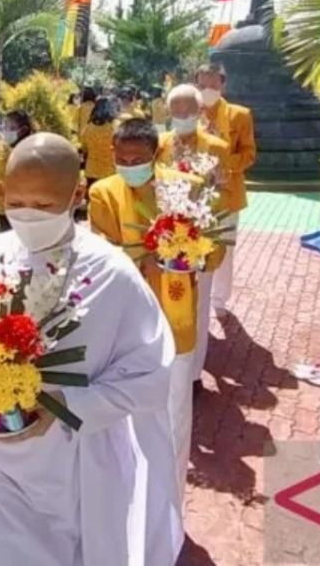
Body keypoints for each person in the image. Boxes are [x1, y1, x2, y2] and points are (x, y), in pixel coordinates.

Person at [0, 133, 182, 566]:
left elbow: (151, 378)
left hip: (79, 465)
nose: (26, 215)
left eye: (42, 206)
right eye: (16, 202)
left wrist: (67, 406)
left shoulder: (111, 273)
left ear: (76, 196)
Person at [88, 118, 221, 505]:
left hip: (175, 317)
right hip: (125, 324)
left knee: (174, 413)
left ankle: (171, 503)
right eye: (122, 156)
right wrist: (151, 253)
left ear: (155, 156)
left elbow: (213, 250)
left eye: (139, 158)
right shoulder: (103, 193)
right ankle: (131, 502)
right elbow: (104, 252)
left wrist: (190, 253)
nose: (130, 163)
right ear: (111, 154)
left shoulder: (186, 187)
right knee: (127, 418)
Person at [156, 83, 232, 389]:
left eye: (188, 111)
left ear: (200, 111)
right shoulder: (159, 144)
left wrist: (214, 242)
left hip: (200, 239)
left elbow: (223, 197)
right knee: (167, 302)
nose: (182, 116)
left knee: (197, 308)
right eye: (176, 111)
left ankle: (193, 374)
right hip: (163, 240)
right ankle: (166, 363)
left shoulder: (217, 147)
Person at [195, 62, 256, 315]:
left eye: (212, 84)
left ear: (223, 84)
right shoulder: (188, 112)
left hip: (227, 192)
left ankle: (219, 300)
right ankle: (195, 294)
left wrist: (223, 164)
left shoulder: (239, 115)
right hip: (193, 194)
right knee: (192, 244)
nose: (207, 89)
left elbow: (249, 154)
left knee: (225, 248)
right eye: (202, 85)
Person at [0, 110, 35, 231]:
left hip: (19, 211)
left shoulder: (26, 153)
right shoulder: (4, 147)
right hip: (2, 208)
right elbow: (2, 175)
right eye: (4, 125)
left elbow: (23, 186)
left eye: (10, 127)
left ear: (23, 130)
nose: (5, 130)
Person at [78, 96, 117, 188]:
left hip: (91, 171)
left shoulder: (88, 128)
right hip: (110, 172)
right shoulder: (114, 127)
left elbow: (84, 148)